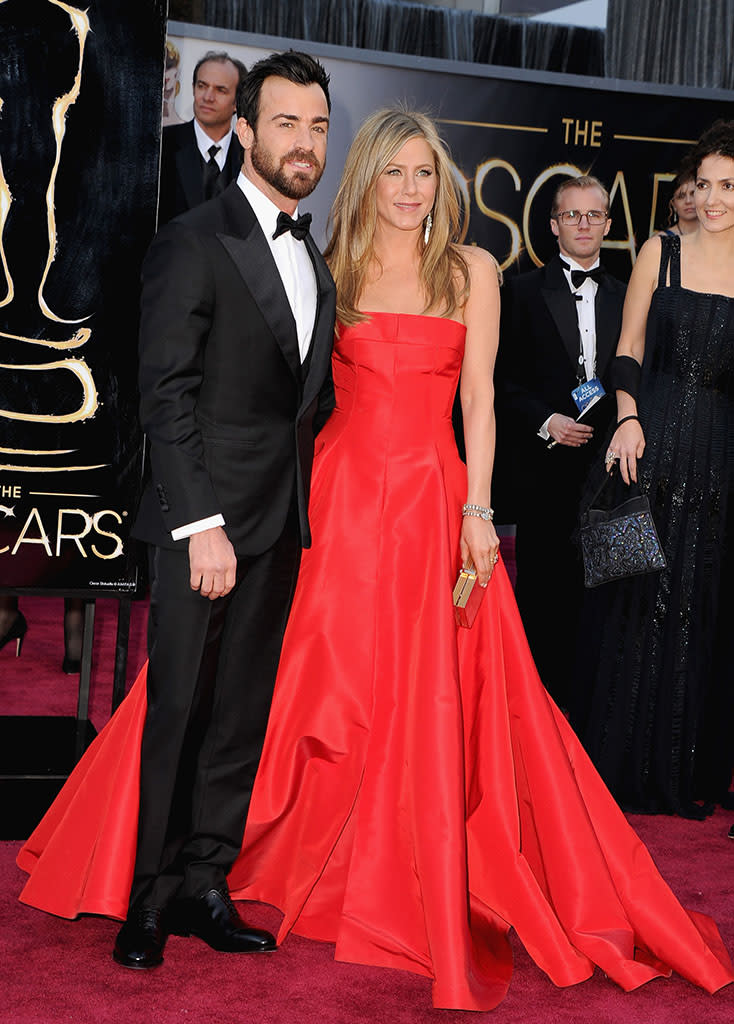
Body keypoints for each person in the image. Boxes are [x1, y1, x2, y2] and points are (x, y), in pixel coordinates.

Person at [17, 108, 733, 1012]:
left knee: (425, 689)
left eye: (424, 174)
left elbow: (479, 403)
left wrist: (481, 510)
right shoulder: (333, 267)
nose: (408, 190)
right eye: (393, 173)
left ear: (445, 182)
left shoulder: (473, 270)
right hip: (336, 500)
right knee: (295, 681)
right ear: (368, 180)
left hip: (434, 499)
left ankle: (387, 858)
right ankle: (204, 859)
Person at [63, 49, 334, 970]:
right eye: (288, 123)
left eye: (320, 125)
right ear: (247, 131)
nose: (306, 142)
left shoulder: (314, 251)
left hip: (279, 526)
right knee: (177, 712)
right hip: (202, 530)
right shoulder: (192, 237)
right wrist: (198, 524)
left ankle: (205, 884)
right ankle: (146, 899)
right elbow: (164, 394)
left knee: (240, 717)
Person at [571, 120, 734, 818]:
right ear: (689, 188)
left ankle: (687, 773)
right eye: (706, 183)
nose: (716, 197)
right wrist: (628, 417)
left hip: (723, 455)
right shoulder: (660, 250)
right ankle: (621, 768)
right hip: (654, 444)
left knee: (703, 606)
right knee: (640, 600)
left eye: (730, 186)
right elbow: (627, 350)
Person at [494, 176, 625, 709]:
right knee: (543, 600)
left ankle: (593, 725)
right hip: (544, 474)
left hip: (611, 476)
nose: (584, 224)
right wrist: (546, 420)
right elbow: (496, 379)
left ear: (609, 226)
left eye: (594, 215)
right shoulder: (520, 292)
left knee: (605, 605)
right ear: (552, 225)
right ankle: (535, 716)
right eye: (573, 215)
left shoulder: (627, 294)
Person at [157, 50, 248, 225]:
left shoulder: (250, 158)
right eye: (202, 86)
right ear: (193, 89)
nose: (207, 97)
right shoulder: (162, 146)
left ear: (237, 102)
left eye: (220, 90)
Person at [659, 162, 698, 237]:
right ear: (673, 205)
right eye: (681, 196)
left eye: (693, 194)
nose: (688, 201)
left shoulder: (715, 236)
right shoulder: (661, 240)